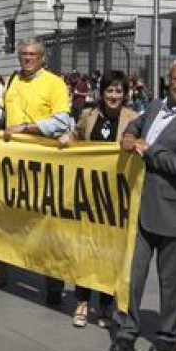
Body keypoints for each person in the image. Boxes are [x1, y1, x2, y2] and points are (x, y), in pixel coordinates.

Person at [109, 57, 176, 351]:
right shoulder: (155, 105)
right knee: (133, 275)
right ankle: (126, 332)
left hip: (174, 213)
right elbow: (137, 122)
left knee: (170, 280)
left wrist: (150, 149)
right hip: (141, 208)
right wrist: (129, 134)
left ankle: (168, 335)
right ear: (168, 79)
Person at [0, 39, 74, 297]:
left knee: (46, 224)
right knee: (4, 218)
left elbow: (62, 121)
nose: (27, 58)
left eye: (32, 54)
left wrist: (27, 128)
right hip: (12, 162)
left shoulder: (54, 83)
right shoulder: (12, 81)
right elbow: (5, 113)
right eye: (23, 54)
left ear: (42, 58)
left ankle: (53, 283)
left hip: (43, 164)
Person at [60, 70, 139, 329]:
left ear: (124, 94)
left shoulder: (134, 118)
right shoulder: (88, 115)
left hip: (115, 199)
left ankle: (105, 304)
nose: (114, 96)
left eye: (118, 91)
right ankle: (82, 300)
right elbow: (77, 136)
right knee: (85, 248)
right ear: (101, 93)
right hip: (88, 194)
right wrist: (67, 140)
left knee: (109, 251)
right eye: (109, 91)